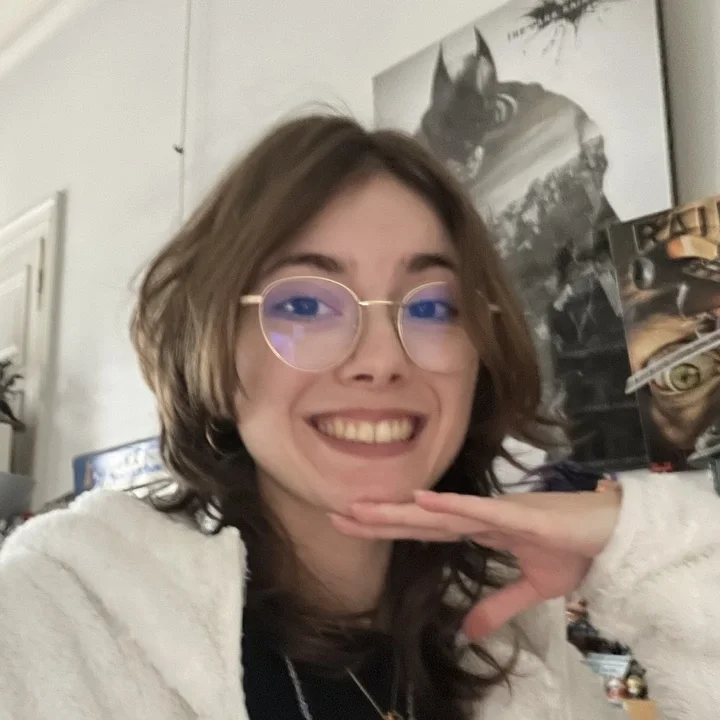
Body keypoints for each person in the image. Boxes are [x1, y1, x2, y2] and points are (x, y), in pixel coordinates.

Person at [0, 114, 718, 720]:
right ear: (214, 347)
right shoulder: (51, 616)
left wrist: (646, 550)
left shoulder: (520, 648)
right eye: (304, 304)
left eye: (434, 307)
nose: (381, 360)